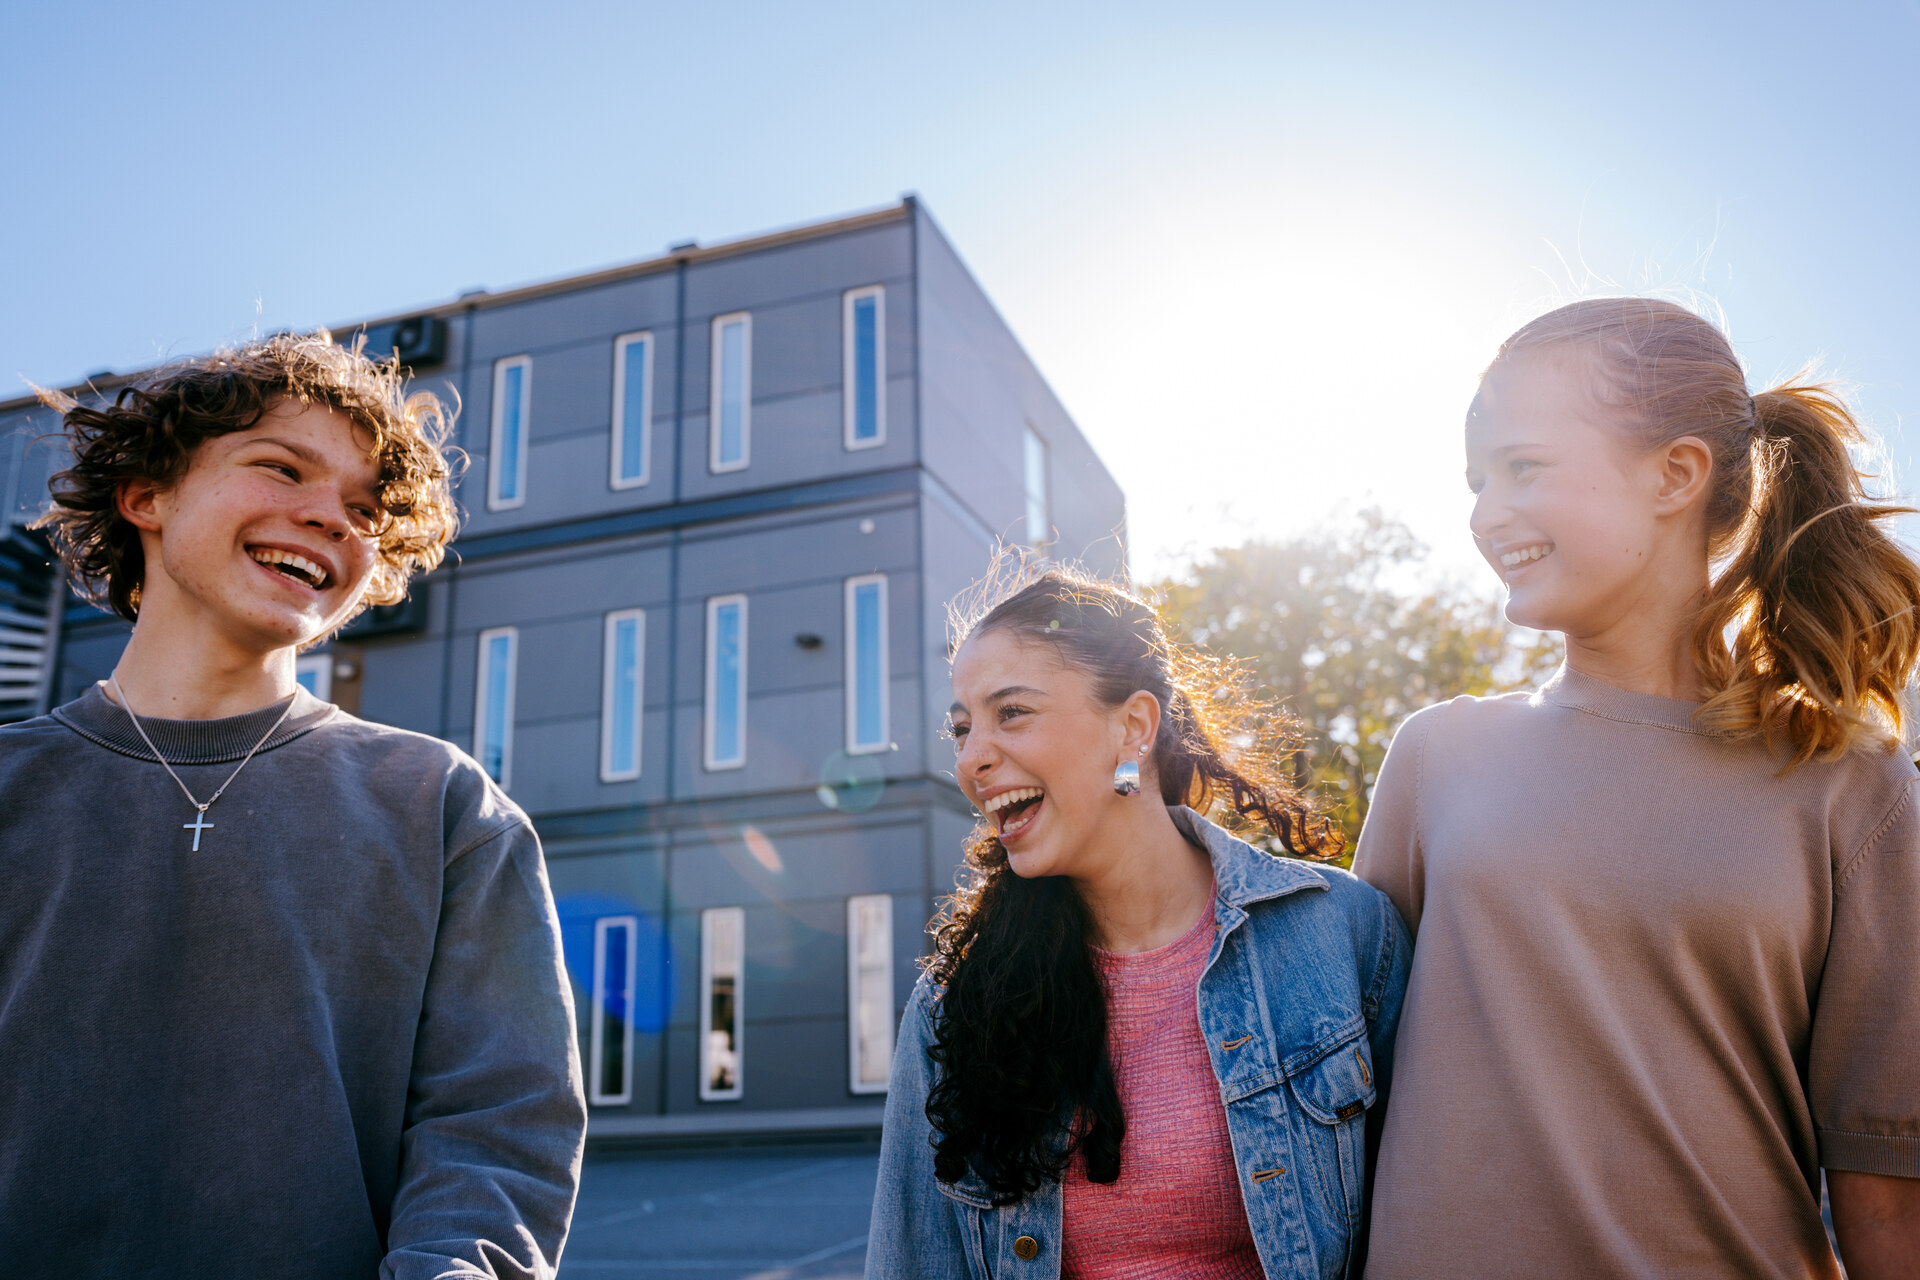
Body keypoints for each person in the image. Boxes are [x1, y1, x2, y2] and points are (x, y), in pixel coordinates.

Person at [1354, 297, 1920, 1278]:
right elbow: (1332, 1084)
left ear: (1677, 473)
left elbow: (1887, 1190)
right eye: (1477, 481)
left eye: (1522, 467)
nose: (1487, 514)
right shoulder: (1436, 757)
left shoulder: (1851, 784)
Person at [0, 334, 588, 1278]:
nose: (332, 520)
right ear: (147, 495)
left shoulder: (442, 805)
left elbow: (496, 1127)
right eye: (281, 468)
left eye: (366, 511)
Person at [866, 564, 1411, 1279]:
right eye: (963, 728)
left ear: (1133, 728)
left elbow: (1432, 1222)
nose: (971, 760)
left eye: (1012, 713)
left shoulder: (1342, 933)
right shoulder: (951, 1010)